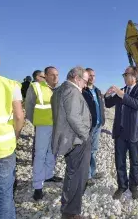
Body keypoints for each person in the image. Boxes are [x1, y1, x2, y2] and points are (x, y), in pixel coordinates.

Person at [51, 66, 91, 218]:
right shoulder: (71, 91)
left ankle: (68, 206)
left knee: (72, 173)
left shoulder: (60, 90)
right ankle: (70, 212)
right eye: (85, 81)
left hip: (70, 139)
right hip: (76, 140)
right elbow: (73, 117)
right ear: (76, 78)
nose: (85, 85)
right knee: (77, 176)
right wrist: (85, 135)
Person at [104, 66, 138, 200]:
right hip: (120, 133)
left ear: (134, 76)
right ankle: (122, 186)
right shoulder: (121, 91)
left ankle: (133, 187)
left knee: (134, 162)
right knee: (120, 161)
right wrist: (107, 95)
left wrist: (122, 94)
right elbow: (108, 104)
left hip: (134, 133)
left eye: (125, 74)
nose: (123, 77)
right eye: (123, 75)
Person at [0, 46, 24, 219]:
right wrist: (16, 134)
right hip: (3, 149)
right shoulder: (11, 85)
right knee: (3, 195)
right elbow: (19, 116)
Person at [25, 66, 62, 201]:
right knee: (40, 154)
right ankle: (37, 186)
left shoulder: (58, 90)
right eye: (52, 75)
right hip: (43, 126)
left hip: (56, 126)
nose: (56, 78)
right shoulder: (36, 87)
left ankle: (48, 175)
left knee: (52, 152)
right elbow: (28, 108)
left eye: (57, 75)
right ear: (45, 75)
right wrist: (36, 121)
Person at [82, 68, 105, 185]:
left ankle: (92, 172)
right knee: (87, 151)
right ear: (85, 77)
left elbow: (101, 106)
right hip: (88, 126)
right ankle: (87, 176)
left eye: (94, 75)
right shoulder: (82, 91)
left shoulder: (98, 91)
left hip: (98, 124)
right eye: (90, 75)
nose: (92, 77)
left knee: (94, 150)